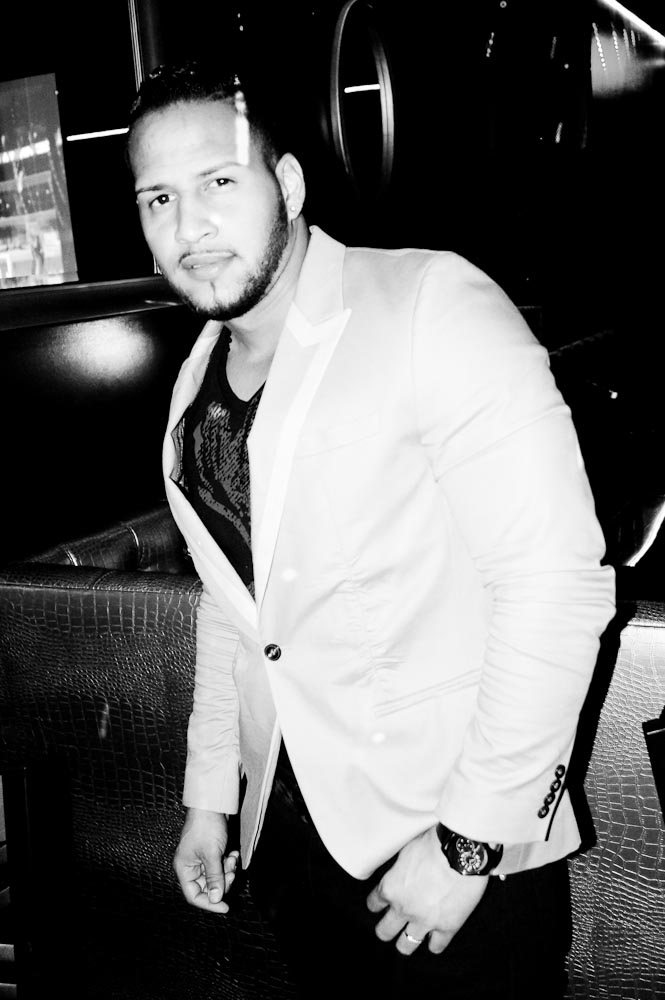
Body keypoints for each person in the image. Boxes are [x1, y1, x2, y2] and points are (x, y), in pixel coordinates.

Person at [126, 61, 615, 999]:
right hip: (291, 852)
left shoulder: (430, 301)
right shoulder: (195, 383)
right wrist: (211, 797)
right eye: (159, 199)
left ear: (288, 183)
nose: (188, 228)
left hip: (452, 850)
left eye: (218, 182)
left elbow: (555, 587)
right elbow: (236, 610)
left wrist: (470, 843)